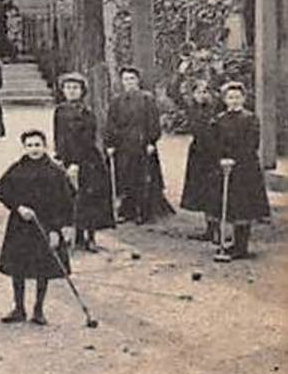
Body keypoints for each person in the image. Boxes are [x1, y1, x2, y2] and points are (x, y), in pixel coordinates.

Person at [0, 129, 76, 326]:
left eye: (37, 145)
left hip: (45, 226)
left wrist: (58, 229)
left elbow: (67, 201)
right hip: (20, 226)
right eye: (29, 145)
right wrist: (17, 206)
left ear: (45, 146)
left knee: (42, 268)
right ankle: (18, 308)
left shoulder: (55, 172)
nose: (34, 149)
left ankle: (38, 309)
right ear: (24, 148)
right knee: (17, 267)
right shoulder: (18, 168)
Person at [52, 73, 114, 251]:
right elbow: (59, 136)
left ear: (82, 91)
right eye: (68, 88)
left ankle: (91, 237)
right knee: (71, 198)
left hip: (87, 161)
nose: (71, 91)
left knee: (89, 199)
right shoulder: (60, 111)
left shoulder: (87, 113)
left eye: (75, 88)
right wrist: (60, 157)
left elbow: (87, 141)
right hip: (67, 159)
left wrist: (76, 163)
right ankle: (77, 236)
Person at [105, 66, 173, 224]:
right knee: (125, 179)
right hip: (124, 146)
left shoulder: (147, 98)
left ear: (138, 80)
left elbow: (153, 122)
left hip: (142, 146)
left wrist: (151, 141)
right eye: (125, 79)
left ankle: (142, 212)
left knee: (142, 179)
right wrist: (111, 144)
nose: (128, 82)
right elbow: (111, 124)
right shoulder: (116, 101)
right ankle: (126, 211)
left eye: (131, 79)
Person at [211, 81, 269, 262]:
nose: (234, 101)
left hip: (245, 169)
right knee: (229, 205)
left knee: (243, 207)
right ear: (225, 100)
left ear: (243, 98)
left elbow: (251, 143)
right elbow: (215, 143)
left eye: (237, 97)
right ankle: (232, 242)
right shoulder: (219, 120)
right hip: (225, 169)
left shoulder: (250, 119)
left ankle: (241, 246)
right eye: (230, 97)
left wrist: (234, 159)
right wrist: (221, 158)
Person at [180, 78, 223, 244]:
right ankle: (209, 229)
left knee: (215, 192)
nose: (202, 95)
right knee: (203, 192)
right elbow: (175, 93)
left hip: (214, 154)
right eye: (198, 92)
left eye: (205, 92)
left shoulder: (217, 110)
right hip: (198, 155)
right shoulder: (192, 109)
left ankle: (218, 229)